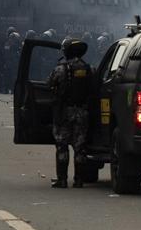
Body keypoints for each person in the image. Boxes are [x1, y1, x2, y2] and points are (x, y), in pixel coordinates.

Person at [47, 38, 93, 189]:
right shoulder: (89, 68)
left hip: (64, 112)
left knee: (62, 145)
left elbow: (50, 85)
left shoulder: (61, 69)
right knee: (80, 147)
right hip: (83, 112)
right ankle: (79, 180)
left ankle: (62, 180)